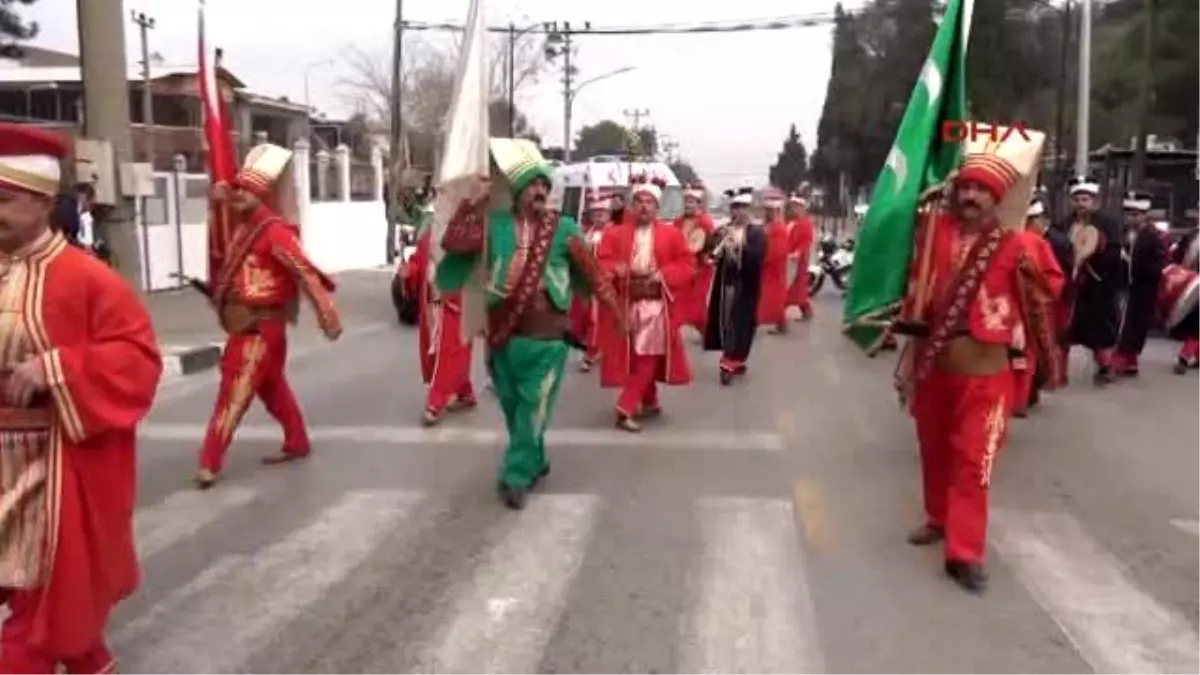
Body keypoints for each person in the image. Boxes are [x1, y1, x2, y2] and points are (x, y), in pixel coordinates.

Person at [0, 123, 162, 673]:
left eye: (4, 198)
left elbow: (138, 363)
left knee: (37, 623)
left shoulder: (89, 280)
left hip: (49, 471)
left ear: (44, 202)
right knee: (62, 627)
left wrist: (59, 367)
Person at [893, 126, 1055, 593]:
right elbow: (910, 286)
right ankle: (937, 517)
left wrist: (1030, 294)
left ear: (996, 198)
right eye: (965, 187)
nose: (970, 196)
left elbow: (1048, 295)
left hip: (987, 373)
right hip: (934, 362)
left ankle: (964, 552)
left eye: (980, 191)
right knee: (934, 448)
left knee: (974, 460)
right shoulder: (931, 236)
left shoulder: (1018, 245)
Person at [437, 139, 621, 509]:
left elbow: (595, 275)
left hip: (547, 337)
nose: (539, 191)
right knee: (512, 406)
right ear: (518, 191)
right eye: (532, 185)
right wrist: (477, 200)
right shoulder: (496, 224)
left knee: (532, 406)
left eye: (544, 185)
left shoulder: (564, 227)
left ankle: (516, 475)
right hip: (502, 334)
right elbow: (454, 243)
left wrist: (616, 317)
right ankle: (535, 458)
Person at [191, 143, 343, 489]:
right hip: (247, 322)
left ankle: (209, 460)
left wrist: (326, 313)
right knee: (271, 387)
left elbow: (304, 272)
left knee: (234, 389)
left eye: (247, 190)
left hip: (260, 327)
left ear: (263, 194)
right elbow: (222, 212)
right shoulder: (243, 227)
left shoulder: (274, 233)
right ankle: (297, 440)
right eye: (239, 188)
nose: (239, 194)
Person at [595, 174, 695, 432]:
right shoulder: (615, 234)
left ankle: (626, 406)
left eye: (649, 202)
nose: (644, 206)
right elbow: (602, 263)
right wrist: (615, 269)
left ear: (657, 207)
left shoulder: (671, 234)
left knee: (646, 356)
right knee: (635, 354)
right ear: (631, 205)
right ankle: (648, 400)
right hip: (626, 302)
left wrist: (665, 274)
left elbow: (687, 265)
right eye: (639, 201)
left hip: (655, 306)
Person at [406, 224, 477, 426]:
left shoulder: (469, 227)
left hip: (457, 301)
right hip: (433, 302)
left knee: (449, 352)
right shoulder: (432, 230)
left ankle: (435, 403)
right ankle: (464, 392)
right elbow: (420, 259)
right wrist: (411, 270)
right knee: (439, 351)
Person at [1060, 177, 1125, 386]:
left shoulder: (1108, 225)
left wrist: (1094, 259)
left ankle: (1105, 366)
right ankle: (1058, 372)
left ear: (1094, 201)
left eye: (1085, 199)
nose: (1081, 203)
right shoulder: (1063, 224)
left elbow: (1114, 253)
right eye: (1077, 199)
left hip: (1098, 285)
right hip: (1070, 286)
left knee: (1100, 329)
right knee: (1063, 329)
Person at [1010, 197, 1066, 417]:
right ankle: (1019, 400)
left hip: (1002, 307)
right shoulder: (1036, 242)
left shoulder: (1000, 235)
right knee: (1026, 354)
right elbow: (1054, 279)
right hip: (1028, 306)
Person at [704, 186, 765, 384]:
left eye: (743, 207)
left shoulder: (756, 233)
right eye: (735, 207)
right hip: (726, 285)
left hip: (745, 286)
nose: (739, 212)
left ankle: (736, 359)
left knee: (745, 325)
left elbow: (757, 258)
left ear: (749, 209)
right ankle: (728, 359)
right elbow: (710, 249)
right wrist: (716, 246)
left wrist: (740, 247)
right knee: (727, 322)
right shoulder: (723, 230)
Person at [1113, 191, 1166, 376]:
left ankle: (1128, 359)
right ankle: (1124, 359)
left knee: (1137, 325)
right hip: (1123, 287)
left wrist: (1136, 265)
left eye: (1135, 214)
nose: (1131, 218)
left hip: (1143, 289)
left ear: (1145, 215)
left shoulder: (1153, 237)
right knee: (1122, 323)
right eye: (1128, 213)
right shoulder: (1122, 234)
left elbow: (1159, 264)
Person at [569, 191, 612, 372]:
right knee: (582, 318)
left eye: (602, 212)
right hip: (585, 283)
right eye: (596, 212)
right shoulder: (584, 232)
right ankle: (593, 347)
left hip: (605, 283)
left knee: (597, 319)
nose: (599, 216)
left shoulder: (614, 232)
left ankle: (592, 353)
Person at [673, 182, 716, 335]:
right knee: (683, 302)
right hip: (683, 268)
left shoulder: (704, 221)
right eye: (686, 201)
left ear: (699, 203)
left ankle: (704, 331)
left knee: (695, 302)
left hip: (700, 269)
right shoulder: (678, 221)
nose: (688, 205)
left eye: (692, 202)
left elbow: (696, 247)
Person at [757, 187, 791, 334]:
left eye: (769, 211)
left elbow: (775, 252)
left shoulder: (779, 228)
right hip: (769, 269)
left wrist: (760, 258)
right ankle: (781, 324)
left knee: (768, 298)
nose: (767, 213)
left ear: (776, 211)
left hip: (773, 269)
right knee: (772, 298)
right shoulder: (770, 226)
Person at [785, 192, 816, 320]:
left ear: (802, 208)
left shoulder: (806, 223)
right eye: (793, 206)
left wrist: (798, 252)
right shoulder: (793, 222)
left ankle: (780, 320)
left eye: (796, 206)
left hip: (799, 261)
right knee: (798, 290)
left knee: (790, 290)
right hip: (791, 259)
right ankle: (807, 312)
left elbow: (806, 241)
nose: (794, 209)